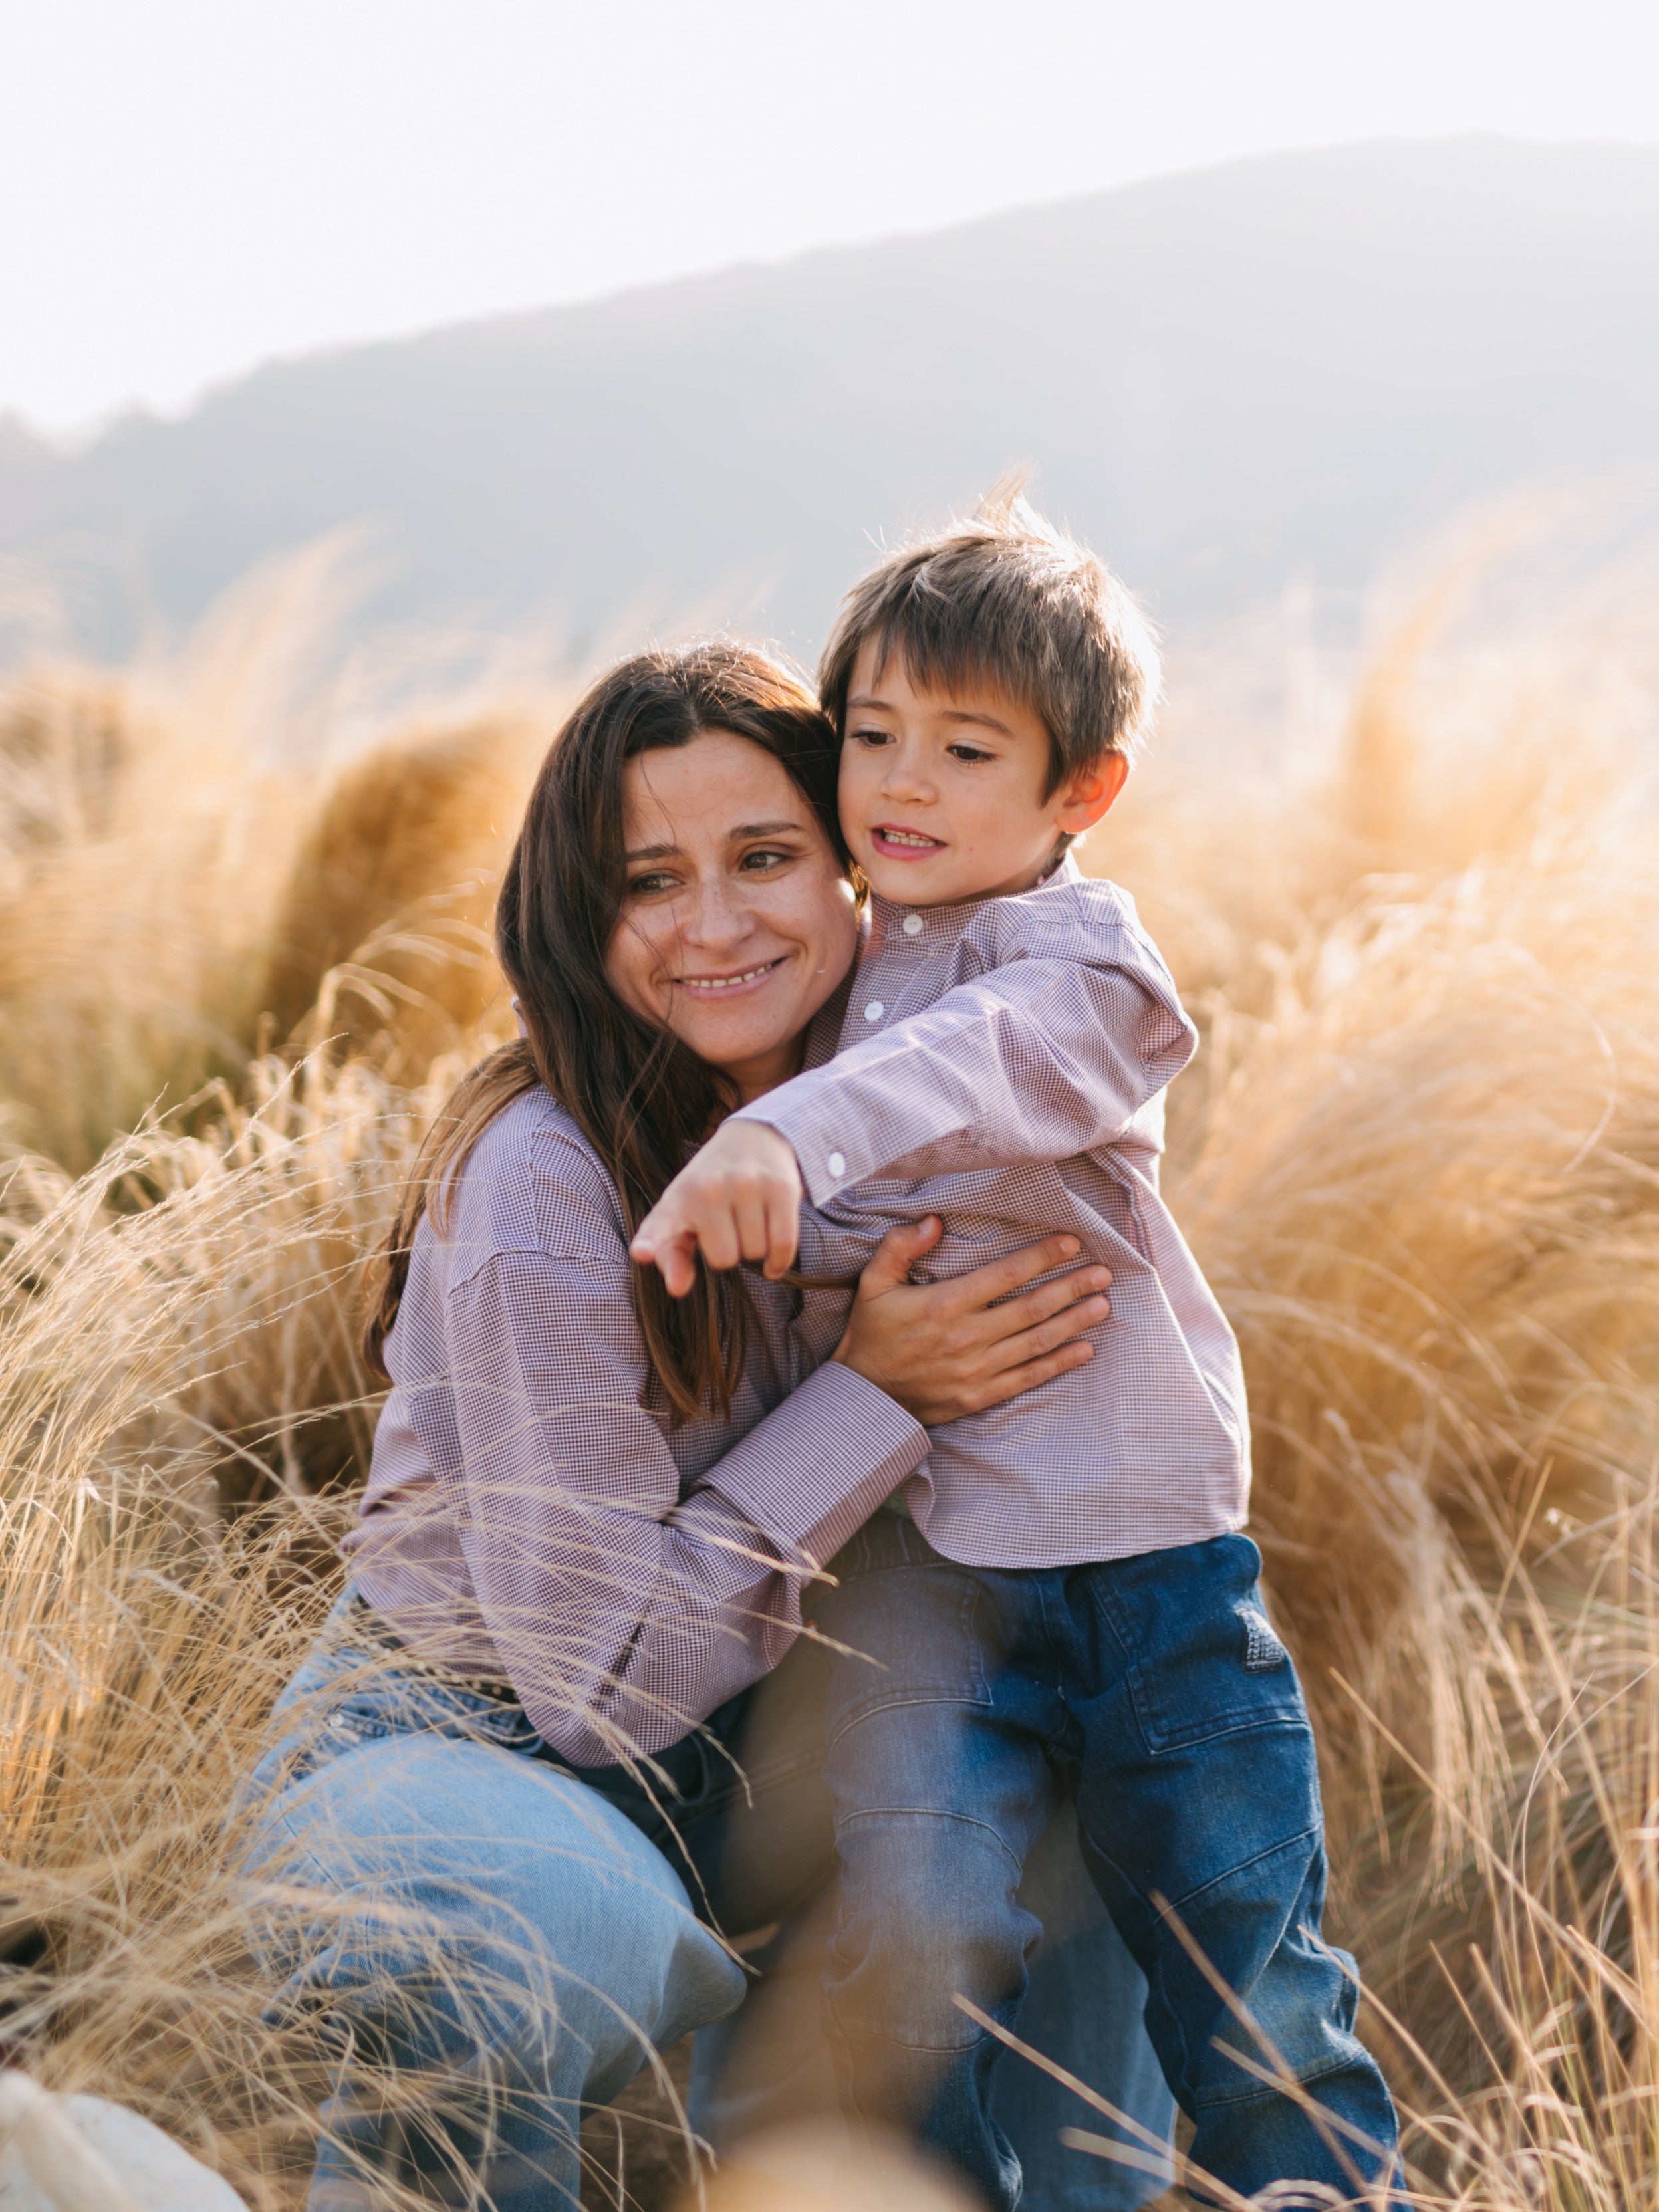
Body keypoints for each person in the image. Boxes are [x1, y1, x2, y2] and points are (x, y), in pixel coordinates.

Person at [241, 641, 1174, 2212]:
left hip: (773, 1747)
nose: (719, 924)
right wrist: (876, 1391)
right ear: (577, 915)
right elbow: (598, 1685)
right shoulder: (541, 1180)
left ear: (856, 867)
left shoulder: (902, 1111)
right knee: (517, 1922)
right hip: (476, 1749)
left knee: (1116, 1797)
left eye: (764, 857)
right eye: (650, 881)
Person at [632, 497, 1405, 2209]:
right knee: (904, 1925)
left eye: (968, 750)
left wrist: (793, 1143)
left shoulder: (1078, 965)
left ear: (1081, 792)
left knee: (1249, 1971)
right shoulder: (841, 980)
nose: (902, 785)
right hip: (933, 1580)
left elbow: (978, 1069)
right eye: (873, 737)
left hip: (1150, 1580)